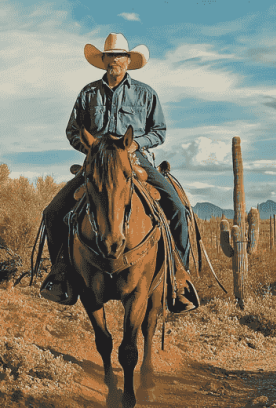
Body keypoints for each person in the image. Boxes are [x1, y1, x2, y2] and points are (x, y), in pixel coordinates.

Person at [41, 33, 194, 310]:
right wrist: (91, 150)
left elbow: (159, 131)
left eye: (121, 56)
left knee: (177, 208)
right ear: (103, 60)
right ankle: (62, 275)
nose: (116, 61)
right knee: (53, 212)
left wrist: (137, 143)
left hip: (134, 159)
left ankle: (178, 278)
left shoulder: (145, 93)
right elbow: (73, 130)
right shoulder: (88, 94)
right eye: (111, 56)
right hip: (98, 162)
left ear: (128, 61)